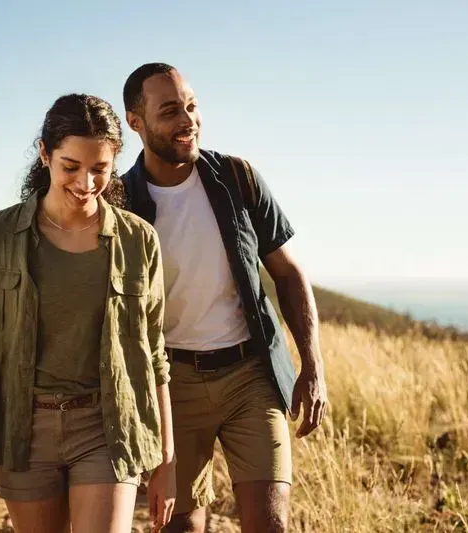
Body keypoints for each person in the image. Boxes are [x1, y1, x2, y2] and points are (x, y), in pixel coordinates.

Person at [0, 94, 176, 533]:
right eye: (70, 167)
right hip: (23, 430)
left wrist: (167, 461)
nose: (86, 182)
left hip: (107, 426)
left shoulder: (138, 241)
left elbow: (154, 355)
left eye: (100, 169)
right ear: (44, 154)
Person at [120, 64, 328, 533]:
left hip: (250, 375)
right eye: (170, 110)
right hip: (171, 388)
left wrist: (312, 366)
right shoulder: (121, 202)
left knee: (270, 524)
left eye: (192, 106)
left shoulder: (237, 177)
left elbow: (289, 273)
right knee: (182, 528)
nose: (187, 119)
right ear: (136, 121)